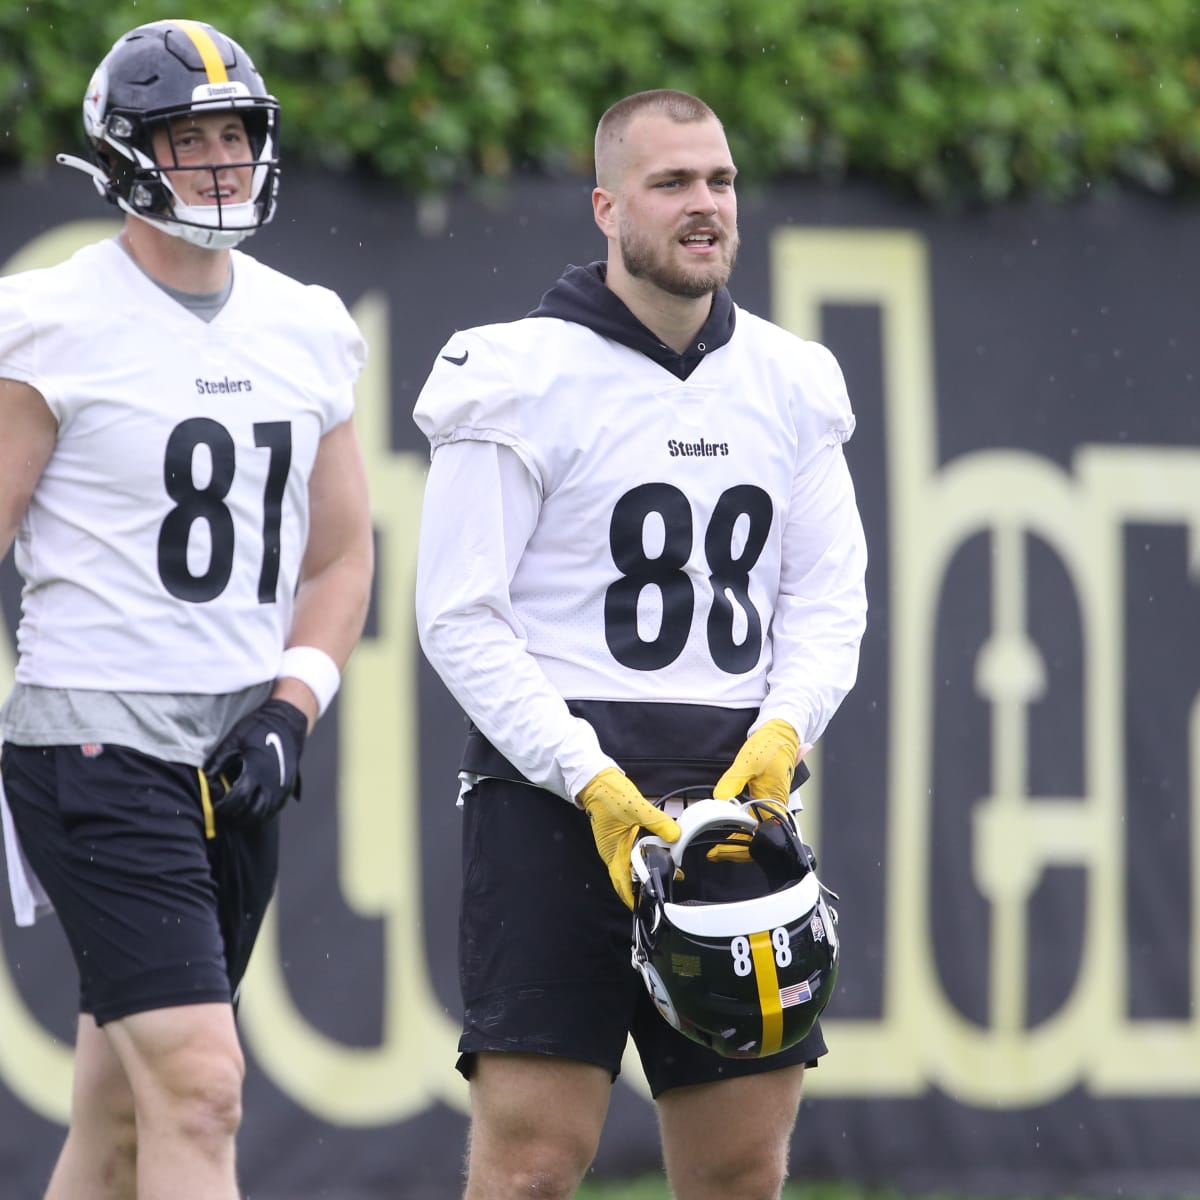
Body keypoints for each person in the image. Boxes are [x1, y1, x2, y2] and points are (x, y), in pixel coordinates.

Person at [413, 88, 868, 1199]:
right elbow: (458, 616)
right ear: (608, 207)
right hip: (556, 792)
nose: (704, 205)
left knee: (741, 1171)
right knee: (528, 1165)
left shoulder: (790, 378)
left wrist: (783, 733)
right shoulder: (518, 370)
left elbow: (830, 599)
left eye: (719, 181)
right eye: (672, 183)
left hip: (731, 791)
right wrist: (589, 780)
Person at [0, 19, 373, 1200]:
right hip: (94, 740)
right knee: (205, 1087)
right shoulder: (49, 317)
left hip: (234, 750)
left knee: (121, 1126)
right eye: (187, 137)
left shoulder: (306, 323)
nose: (217, 163)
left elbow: (341, 555)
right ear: (122, 153)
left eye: (232, 135)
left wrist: (291, 707)